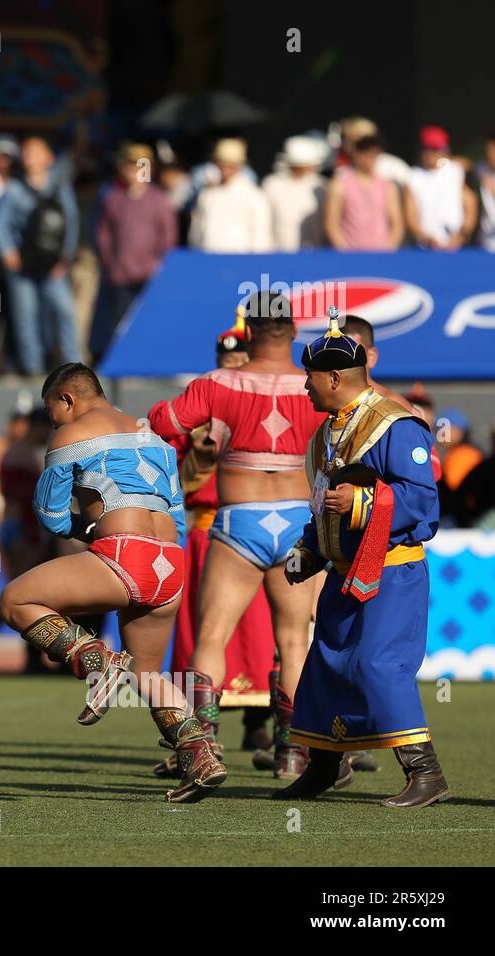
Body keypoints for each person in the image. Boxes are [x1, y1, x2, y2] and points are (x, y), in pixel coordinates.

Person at [0, 363, 226, 803]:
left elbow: (49, 513)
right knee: (147, 673)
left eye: (52, 412)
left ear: (67, 398)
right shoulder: (154, 437)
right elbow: (177, 509)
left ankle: (95, 656)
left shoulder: (71, 433)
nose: (54, 423)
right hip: (170, 562)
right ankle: (200, 754)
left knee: (15, 601)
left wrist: (82, 531)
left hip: (124, 554)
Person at [147, 292, 327, 781]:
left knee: (211, 636)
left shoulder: (216, 383)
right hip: (297, 522)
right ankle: (292, 757)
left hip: (239, 519)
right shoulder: (316, 385)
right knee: (294, 642)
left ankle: (202, 749)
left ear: (247, 334)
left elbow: (163, 423)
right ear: (292, 333)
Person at [278, 315, 447, 807]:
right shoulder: (325, 435)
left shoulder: (396, 424)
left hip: (392, 571)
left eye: (310, 378)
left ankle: (427, 773)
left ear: (333, 378)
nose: (305, 387)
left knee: (379, 665)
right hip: (343, 572)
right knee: (326, 666)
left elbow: (422, 501)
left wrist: (359, 504)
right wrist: (309, 552)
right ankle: (325, 767)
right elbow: (321, 506)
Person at [153, 318, 278, 779]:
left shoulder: (269, 400)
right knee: (200, 632)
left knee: (264, 633)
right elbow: (172, 472)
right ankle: (199, 739)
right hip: (205, 530)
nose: (233, 365)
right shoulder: (200, 405)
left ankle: (273, 729)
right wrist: (198, 459)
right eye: (225, 360)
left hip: (259, 526)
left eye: (240, 357)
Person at [0, 136, 82, 373]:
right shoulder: (13, 188)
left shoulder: (60, 187)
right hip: (23, 265)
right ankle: (33, 369)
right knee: (26, 317)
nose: (31, 157)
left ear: (49, 158)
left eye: (37, 152)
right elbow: (0, 224)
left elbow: (71, 223)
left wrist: (65, 257)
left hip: (54, 265)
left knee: (64, 311)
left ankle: (73, 366)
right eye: (27, 153)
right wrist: (7, 252)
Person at [91, 142, 178, 364]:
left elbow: (168, 236)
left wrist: (160, 265)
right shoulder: (113, 198)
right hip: (121, 273)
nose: (134, 172)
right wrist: (111, 262)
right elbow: (104, 234)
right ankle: (126, 362)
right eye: (129, 166)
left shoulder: (158, 199)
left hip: (151, 274)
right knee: (120, 322)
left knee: (151, 321)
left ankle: (153, 361)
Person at [188, 138, 272, 253]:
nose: (225, 169)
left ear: (240, 166)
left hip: (240, 262)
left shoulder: (253, 195)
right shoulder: (207, 194)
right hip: (208, 260)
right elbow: (196, 230)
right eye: (222, 164)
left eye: (231, 165)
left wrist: (258, 265)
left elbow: (261, 236)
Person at [324, 135, 404, 251]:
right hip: (349, 256)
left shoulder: (388, 186)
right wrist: (345, 253)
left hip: (381, 256)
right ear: (356, 154)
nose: (370, 160)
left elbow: (397, 224)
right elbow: (331, 223)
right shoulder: (339, 184)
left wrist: (388, 252)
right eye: (366, 155)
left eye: (374, 155)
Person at [404, 126, 477, 250]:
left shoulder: (456, 171)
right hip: (425, 247)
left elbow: (470, 205)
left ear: (444, 150)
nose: (430, 153)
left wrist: (461, 236)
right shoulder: (413, 176)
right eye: (427, 148)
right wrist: (426, 238)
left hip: (456, 245)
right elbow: (410, 216)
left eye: (435, 149)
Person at [262, 135, 327, 251]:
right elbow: (264, 222)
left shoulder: (321, 186)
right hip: (279, 253)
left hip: (313, 253)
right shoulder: (272, 184)